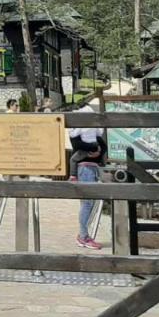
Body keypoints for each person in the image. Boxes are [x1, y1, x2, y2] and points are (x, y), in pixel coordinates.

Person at [68, 98, 106, 250]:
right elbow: (80, 145)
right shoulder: (83, 126)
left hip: (90, 166)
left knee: (89, 203)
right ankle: (83, 236)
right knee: (87, 203)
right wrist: (96, 150)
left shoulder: (80, 126)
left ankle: (84, 235)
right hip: (85, 167)